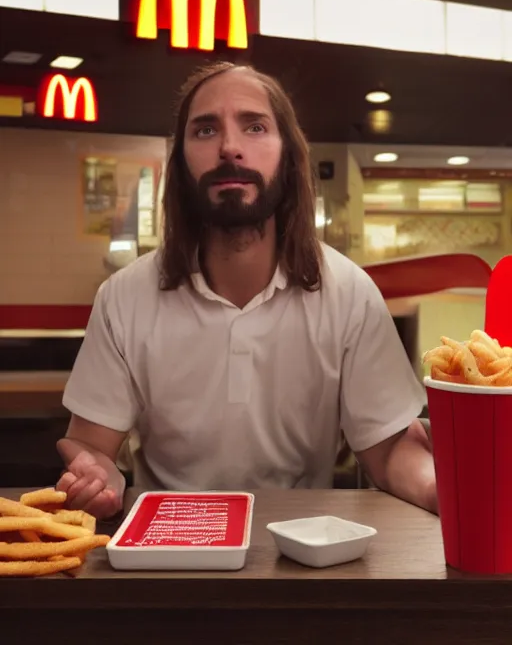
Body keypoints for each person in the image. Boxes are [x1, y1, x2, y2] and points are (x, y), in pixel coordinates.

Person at [56, 61, 437, 519]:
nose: (230, 148)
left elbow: (391, 449)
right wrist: (98, 477)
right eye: (204, 131)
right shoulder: (123, 297)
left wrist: (442, 491)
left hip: (303, 551)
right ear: (179, 165)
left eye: (255, 127)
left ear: (289, 157)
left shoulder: (350, 293)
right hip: (166, 554)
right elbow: (90, 445)